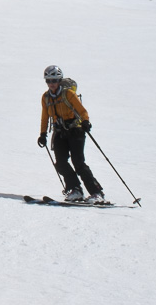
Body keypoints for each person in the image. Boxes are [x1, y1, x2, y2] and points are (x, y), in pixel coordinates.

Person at [37, 65, 105, 203]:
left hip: (76, 131)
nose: (51, 84)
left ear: (59, 80)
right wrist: (43, 134)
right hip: (59, 133)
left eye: (54, 80)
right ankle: (75, 189)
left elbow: (82, 111)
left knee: (78, 162)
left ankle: (96, 192)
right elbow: (45, 117)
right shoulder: (45, 98)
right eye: (48, 81)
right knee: (61, 163)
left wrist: (85, 122)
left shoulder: (69, 94)